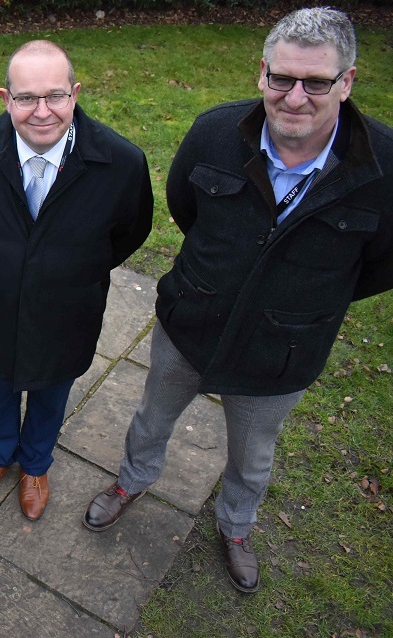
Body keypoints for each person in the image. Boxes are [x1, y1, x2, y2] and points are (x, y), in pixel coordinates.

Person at [83, 7, 393, 594]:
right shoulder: (215, 133)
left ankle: (236, 526)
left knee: (252, 454)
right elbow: (185, 206)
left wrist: (304, 303)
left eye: (316, 83)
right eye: (282, 78)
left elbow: (379, 265)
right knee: (152, 417)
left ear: (347, 81)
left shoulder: (386, 166)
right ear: (262, 72)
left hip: (281, 351)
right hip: (190, 322)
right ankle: (132, 480)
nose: (294, 97)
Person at [0, 40, 153, 521]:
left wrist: (70, 268)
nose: (42, 112)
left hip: (67, 310)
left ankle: (36, 464)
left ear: (75, 94)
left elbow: (130, 231)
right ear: (6, 99)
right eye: (26, 98)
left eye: (56, 96)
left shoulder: (122, 163)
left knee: (51, 392)